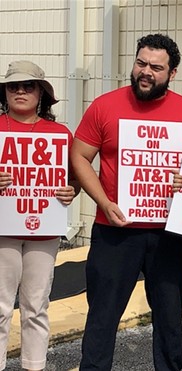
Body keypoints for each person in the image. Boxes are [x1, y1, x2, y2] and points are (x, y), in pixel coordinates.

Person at [70, 34, 182, 371]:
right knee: (102, 317)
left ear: (172, 73)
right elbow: (79, 156)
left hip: (170, 234)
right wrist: (103, 202)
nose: (145, 72)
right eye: (140, 63)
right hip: (114, 231)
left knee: (169, 320)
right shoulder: (104, 106)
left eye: (156, 67)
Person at [0, 61, 79, 371]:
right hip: (2, 230)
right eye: (13, 86)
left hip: (44, 233)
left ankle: (34, 366)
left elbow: (75, 178)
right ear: (4, 92)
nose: (20, 91)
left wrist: (71, 191)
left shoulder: (59, 133)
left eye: (28, 85)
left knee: (36, 307)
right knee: (1, 306)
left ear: (42, 93)